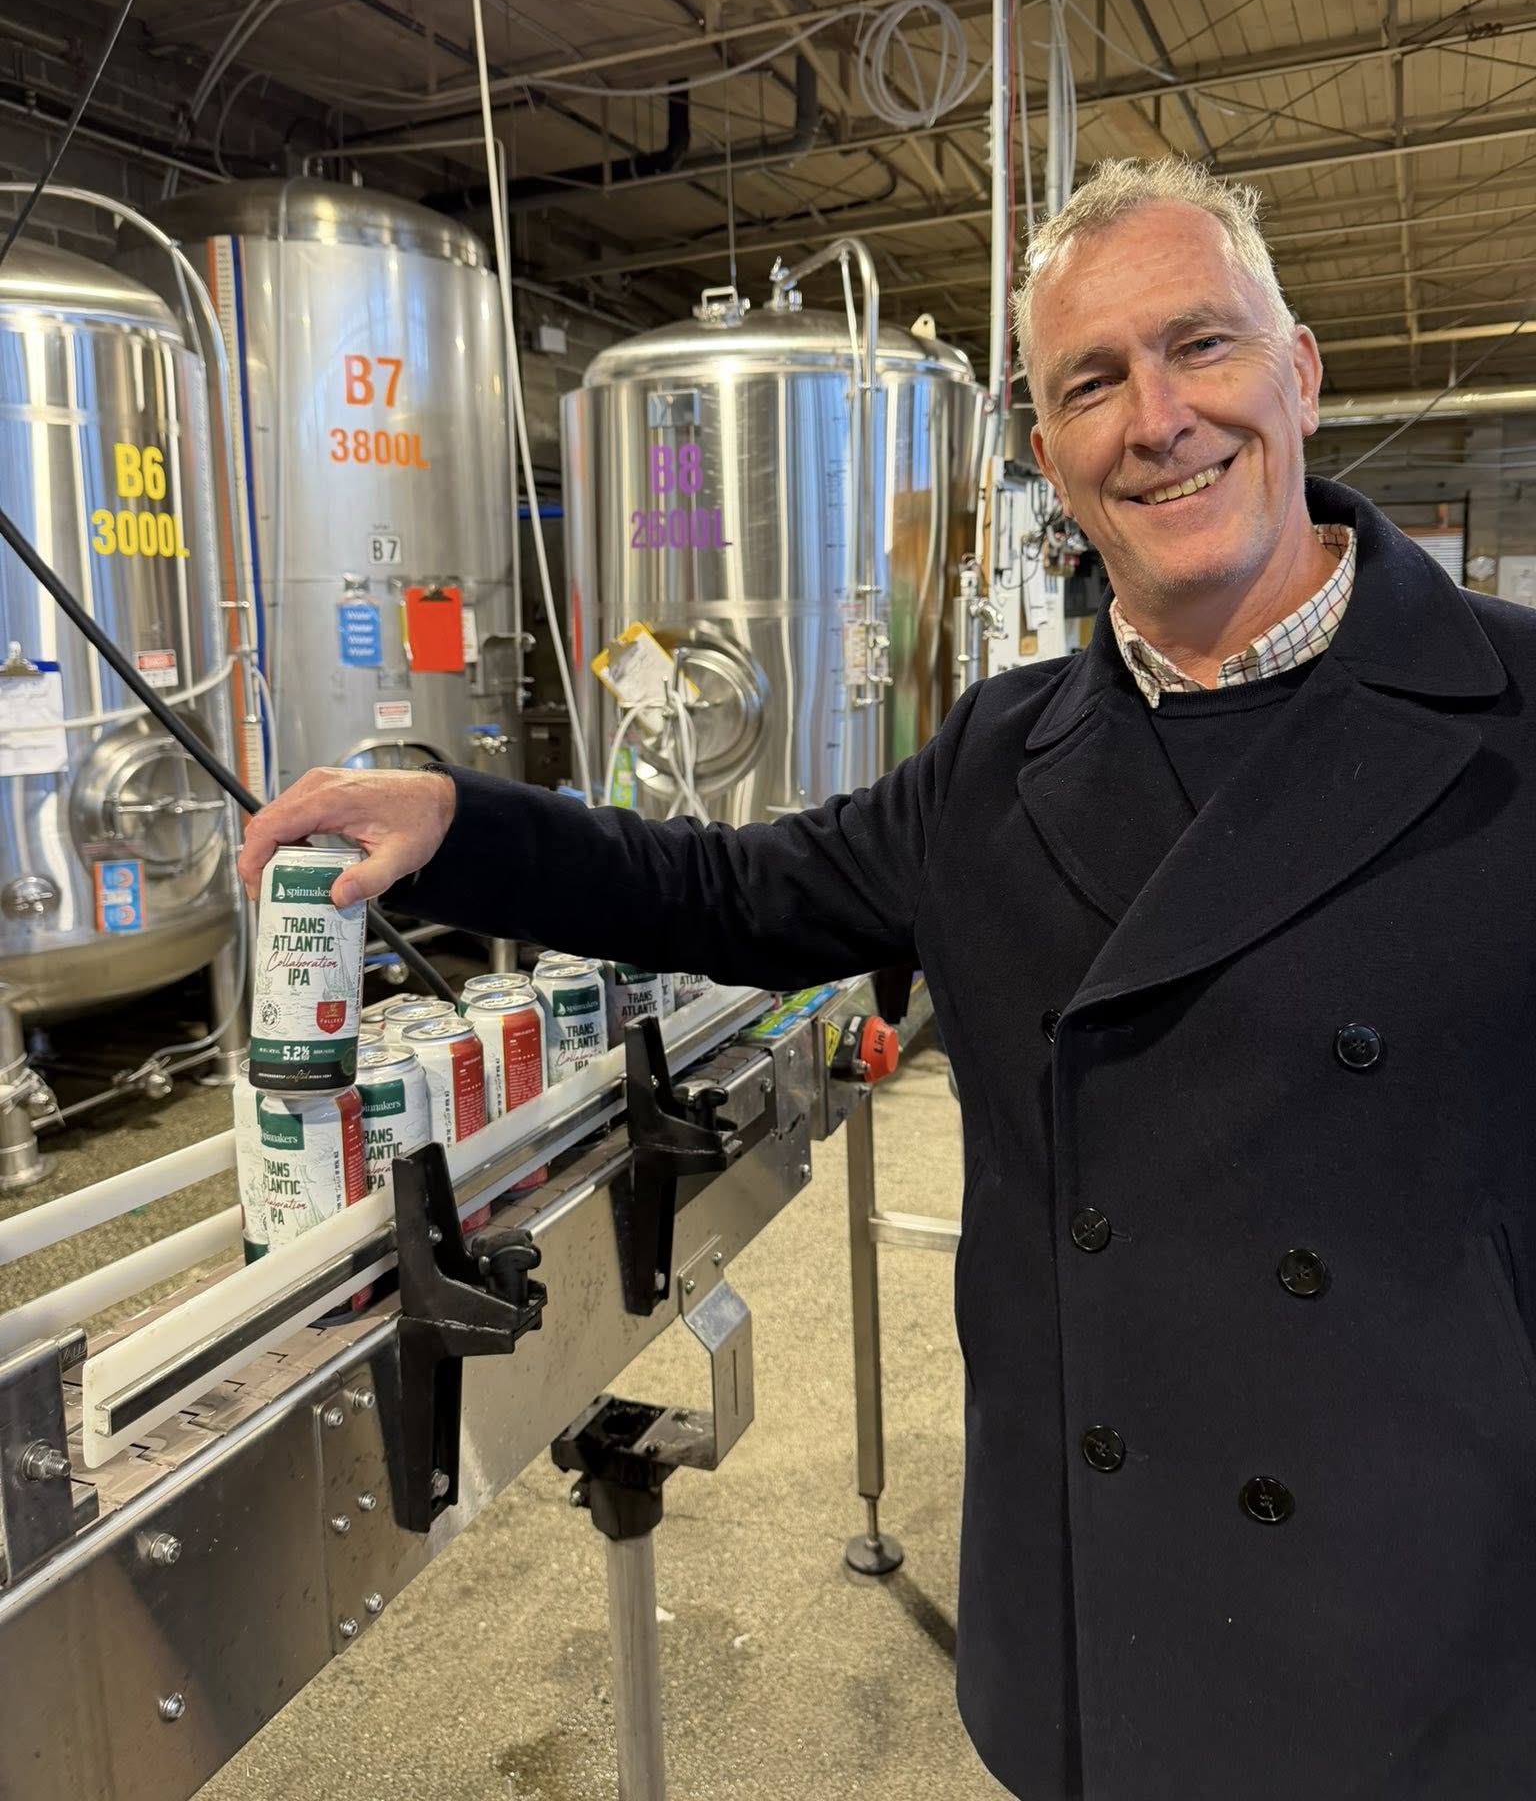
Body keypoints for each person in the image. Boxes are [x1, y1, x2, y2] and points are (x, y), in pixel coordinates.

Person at [239, 158, 1536, 1801]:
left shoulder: (1511, 718)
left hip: (1427, 1614)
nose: (1158, 419)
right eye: (1091, 382)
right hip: (1099, 1613)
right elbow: (723, 888)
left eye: (1200, 345)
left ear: (1302, 374)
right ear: (1048, 453)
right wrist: (459, 824)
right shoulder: (998, 758)